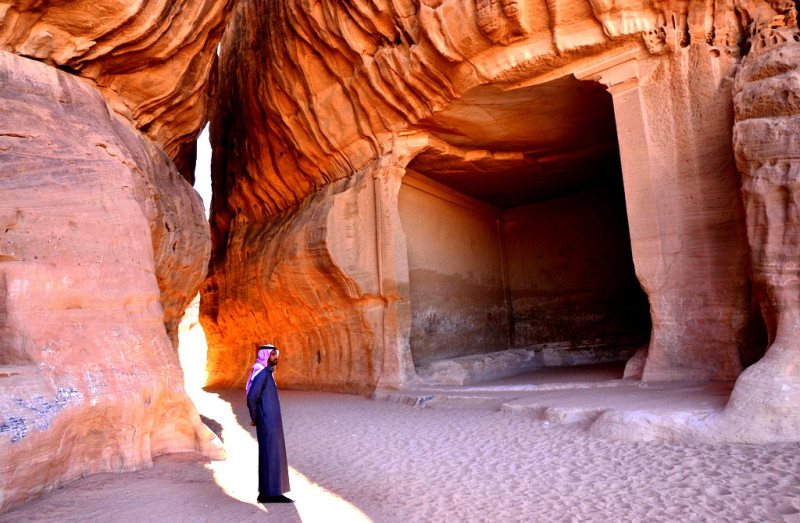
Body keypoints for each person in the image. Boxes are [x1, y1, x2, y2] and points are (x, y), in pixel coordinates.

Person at [246, 344, 292, 503]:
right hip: (268, 422)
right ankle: (272, 494)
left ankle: (267, 493)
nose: (276, 357)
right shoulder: (262, 373)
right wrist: (255, 417)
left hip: (271, 422)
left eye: (276, 354)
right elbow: (251, 397)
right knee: (272, 454)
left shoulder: (265, 372)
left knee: (271, 454)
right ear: (265, 355)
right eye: (273, 354)